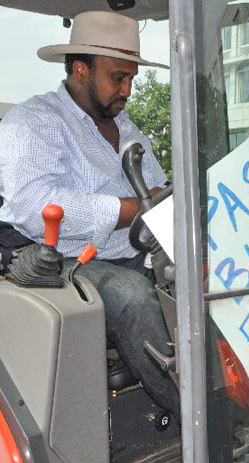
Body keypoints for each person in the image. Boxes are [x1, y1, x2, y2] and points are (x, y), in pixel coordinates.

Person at [0, 11, 180, 416]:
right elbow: (33, 204)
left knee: (210, 277)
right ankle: (198, 420)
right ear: (81, 69)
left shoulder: (128, 128)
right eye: (118, 77)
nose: (128, 89)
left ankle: (237, 396)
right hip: (62, 260)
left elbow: (157, 193)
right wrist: (130, 209)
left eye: (131, 78)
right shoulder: (34, 122)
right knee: (131, 297)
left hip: (136, 252)